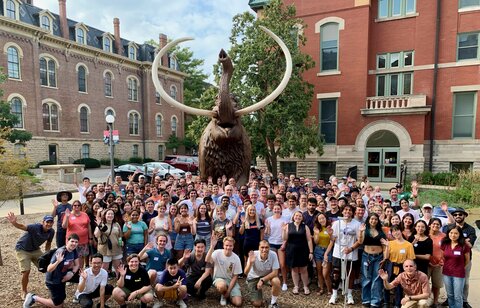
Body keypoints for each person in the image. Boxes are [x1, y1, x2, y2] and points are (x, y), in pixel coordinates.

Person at [23, 233, 80, 308]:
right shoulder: (61, 252)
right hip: (53, 280)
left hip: (62, 277)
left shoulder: (74, 251)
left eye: (76, 242)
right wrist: (58, 262)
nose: (74, 244)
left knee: (83, 276)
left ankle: (78, 295)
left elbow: (77, 264)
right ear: (67, 241)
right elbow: (49, 269)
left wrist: (71, 273)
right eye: (72, 241)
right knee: (58, 306)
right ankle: (33, 297)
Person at [7, 213, 54, 300]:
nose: (49, 224)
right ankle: (24, 290)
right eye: (47, 222)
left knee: (48, 266)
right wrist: (14, 223)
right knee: (26, 271)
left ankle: (49, 283)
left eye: (51, 222)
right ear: (43, 222)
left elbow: (48, 243)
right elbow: (22, 226)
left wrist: (47, 255)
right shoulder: (35, 227)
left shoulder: (51, 231)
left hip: (35, 249)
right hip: (22, 249)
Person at [442, 207, 476, 308]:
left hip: (465, 260)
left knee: (464, 282)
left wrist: (461, 240)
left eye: (460, 214)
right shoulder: (448, 227)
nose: (457, 216)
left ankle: (464, 301)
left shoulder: (470, 229)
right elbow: (445, 243)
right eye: (455, 215)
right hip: (449, 260)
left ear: (464, 216)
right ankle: (450, 299)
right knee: (450, 284)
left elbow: (470, 245)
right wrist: (464, 239)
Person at [327, 204, 361, 305]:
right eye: (345, 210)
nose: (347, 212)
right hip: (338, 252)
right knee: (336, 274)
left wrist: (351, 248)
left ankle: (349, 294)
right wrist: (330, 234)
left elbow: (360, 240)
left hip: (351, 252)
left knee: (350, 274)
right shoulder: (337, 223)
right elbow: (333, 239)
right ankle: (334, 294)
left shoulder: (357, 224)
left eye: (350, 210)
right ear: (342, 212)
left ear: (352, 212)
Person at [383, 225, 416, 308]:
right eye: (393, 231)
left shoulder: (408, 245)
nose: (395, 233)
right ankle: (386, 302)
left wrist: (407, 270)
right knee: (387, 283)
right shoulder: (390, 243)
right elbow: (386, 257)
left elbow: (410, 259)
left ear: (401, 231)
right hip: (390, 265)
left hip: (402, 267)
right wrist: (387, 246)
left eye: (397, 230)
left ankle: (397, 303)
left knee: (399, 286)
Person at [358, 213, 387, 308]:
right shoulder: (364, 230)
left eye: (375, 219)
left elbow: (384, 246)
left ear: (378, 221)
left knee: (377, 278)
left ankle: (375, 301)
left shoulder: (381, 231)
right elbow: (360, 242)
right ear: (368, 220)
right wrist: (361, 231)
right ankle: (366, 299)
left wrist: (385, 258)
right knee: (366, 278)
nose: (373, 221)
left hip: (378, 257)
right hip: (367, 256)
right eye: (372, 219)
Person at [206, 235, 242, 306]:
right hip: (219, 279)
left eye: (230, 246)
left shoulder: (236, 258)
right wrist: (212, 247)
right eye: (226, 245)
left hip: (230, 280)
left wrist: (229, 291)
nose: (228, 247)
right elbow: (207, 260)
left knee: (238, 303)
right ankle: (223, 296)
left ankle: (229, 294)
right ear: (223, 245)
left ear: (233, 246)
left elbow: (235, 276)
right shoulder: (217, 253)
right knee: (222, 286)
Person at [283, 211, 313, 295]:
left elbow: (309, 240)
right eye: (296, 215)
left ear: (302, 218)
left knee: (303, 269)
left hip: (303, 250)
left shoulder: (305, 227)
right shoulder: (288, 226)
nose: (298, 217)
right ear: (293, 217)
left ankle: (305, 286)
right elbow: (285, 238)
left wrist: (311, 252)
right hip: (291, 250)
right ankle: (296, 286)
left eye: (300, 216)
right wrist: (283, 230)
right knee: (294, 269)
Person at [244, 240, 281, 308]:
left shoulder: (273, 254)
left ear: (269, 248)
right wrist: (250, 263)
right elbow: (246, 272)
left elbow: (275, 272)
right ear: (259, 248)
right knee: (257, 304)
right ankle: (257, 294)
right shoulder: (253, 254)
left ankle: (273, 302)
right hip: (253, 277)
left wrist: (262, 280)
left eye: (266, 247)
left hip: (266, 276)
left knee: (276, 281)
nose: (264, 250)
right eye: (262, 247)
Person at [441, 226, 471, 308]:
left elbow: (467, 260)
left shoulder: (464, 246)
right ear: (448, 234)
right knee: (450, 294)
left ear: (459, 234)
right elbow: (443, 256)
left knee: (458, 296)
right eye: (451, 233)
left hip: (458, 274)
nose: (453, 235)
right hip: (446, 273)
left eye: (456, 233)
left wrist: (459, 267)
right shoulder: (445, 244)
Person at [63, 199, 93, 269]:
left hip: (83, 241)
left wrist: (90, 238)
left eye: (78, 205)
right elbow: (64, 226)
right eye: (75, 205)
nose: (77, 207)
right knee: (71, 257)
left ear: (81, 206)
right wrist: (67, 217)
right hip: (72, 241)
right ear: (72, 206)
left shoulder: (84, 214)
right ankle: (72, 272)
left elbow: (89, 226)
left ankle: (80, 271)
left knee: (81, 257)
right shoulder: (68, 214)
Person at [94, 208, 123, 273]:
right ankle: (103, 282)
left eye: (112, 214)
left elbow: (120, 236)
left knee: (118, 268)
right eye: (108, 214)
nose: (110, 215)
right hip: (104, 250)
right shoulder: (101, 224)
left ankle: (119, 282)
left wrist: (121, 243)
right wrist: (99, 226)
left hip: (116, 249)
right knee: (104, 269)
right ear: (105, 215)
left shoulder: (116, 224)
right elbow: (96, 235)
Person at [313, 212, 333, 295]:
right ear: (318, 220)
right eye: (319, 219)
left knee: (326, 273)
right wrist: (317, 234)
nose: (321, 220)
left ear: (326, 218)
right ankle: (321, 288)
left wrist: (326, 253)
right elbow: (316, 242)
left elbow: (332, 241)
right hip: (318, 250)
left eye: (323, 218)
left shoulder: (330, 227)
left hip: (327, 250)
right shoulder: (316, 228)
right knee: (319, 271)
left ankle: (330, 290)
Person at [428, 218, 446, 308]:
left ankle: (435, 301)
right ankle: (423, 300)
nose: (436, 225)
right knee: (424, 283)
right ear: (430, 225)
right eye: (434, 224)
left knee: (436, 284)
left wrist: (442, 261)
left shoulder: (444, 236)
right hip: (426, 263)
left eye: (438, 224)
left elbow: (447, 249)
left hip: (439, 264)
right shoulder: (425, 234)